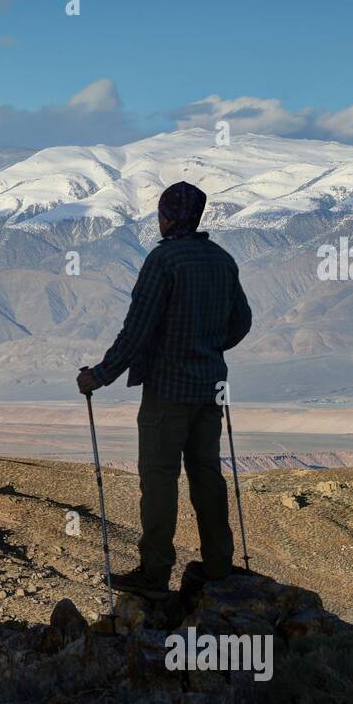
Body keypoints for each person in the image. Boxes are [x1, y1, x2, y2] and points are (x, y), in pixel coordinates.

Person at [76, 181, 252, 593]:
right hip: (210, 390)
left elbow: (137, 329)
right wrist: (206, 348)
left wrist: (99, 375)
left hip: (166, 392)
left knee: (158, 481)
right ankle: (219, 566)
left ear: (168, 216)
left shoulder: (163, 261)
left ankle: (155, 573)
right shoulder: (222, 260)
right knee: (207, 476)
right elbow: (241, 322)